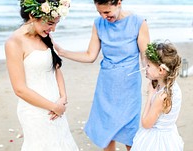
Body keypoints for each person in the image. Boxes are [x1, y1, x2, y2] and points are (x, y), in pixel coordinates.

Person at [56, 0, 150, 150]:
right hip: (106, 86)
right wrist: (63, 52)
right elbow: (90, 56)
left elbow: (146, 57)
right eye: (99, 12)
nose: (104, 16)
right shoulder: (98, 23)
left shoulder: (138, 22)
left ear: (118, 3)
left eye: (107, 12)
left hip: (129, 85)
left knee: (130, 133)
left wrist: (154, 80)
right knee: (106, 130)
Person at [5, 0, 79, 150]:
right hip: (35, 110)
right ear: (33, 16)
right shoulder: (14, 43)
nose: (54, 29)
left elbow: (56, 69)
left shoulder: (45, 36)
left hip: (57, 106)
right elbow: (19, 89)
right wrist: (53, 106)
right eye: (51, 23)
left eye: (56, 23)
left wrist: (63, 98)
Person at [131, 42, 184, 151]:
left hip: (156, 142)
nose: (145, 68)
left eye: (149, 65)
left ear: (161, 70)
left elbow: (146, 123)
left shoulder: (161, 97)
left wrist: (150, 94)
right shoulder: (174, 87)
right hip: (170, 137)